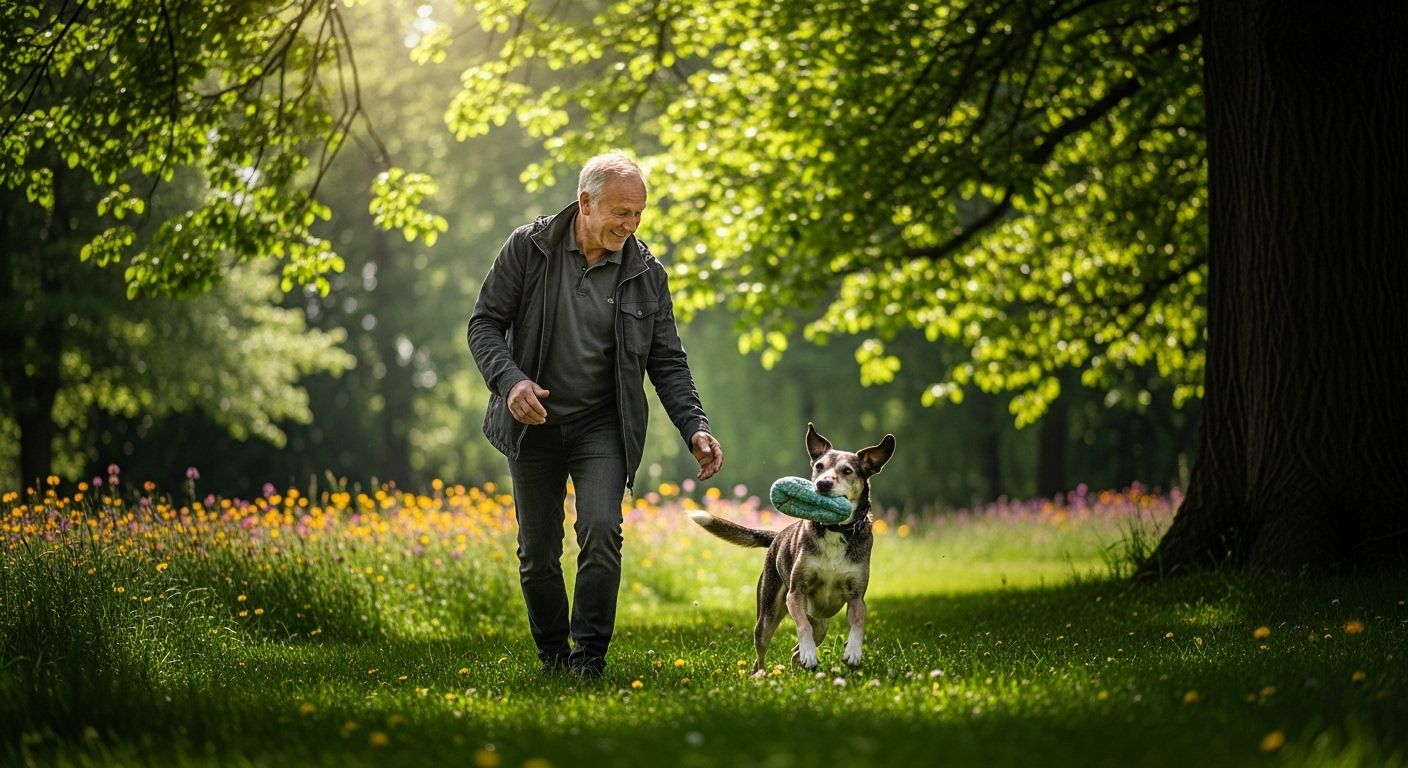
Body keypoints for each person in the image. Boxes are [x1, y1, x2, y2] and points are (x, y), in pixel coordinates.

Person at [467, 151, 724, 679]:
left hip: (601, 424)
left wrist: (695, 426)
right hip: (531, 421)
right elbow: (484, 324)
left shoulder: (647, 274)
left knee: (603, 529)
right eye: (620, 213)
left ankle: (588, 659)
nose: (629, 227)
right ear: (585, 202)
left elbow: (667, 360)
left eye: (638, 215)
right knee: (538, 552)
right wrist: (510, 381)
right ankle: (553, 659)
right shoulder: (528, 248)